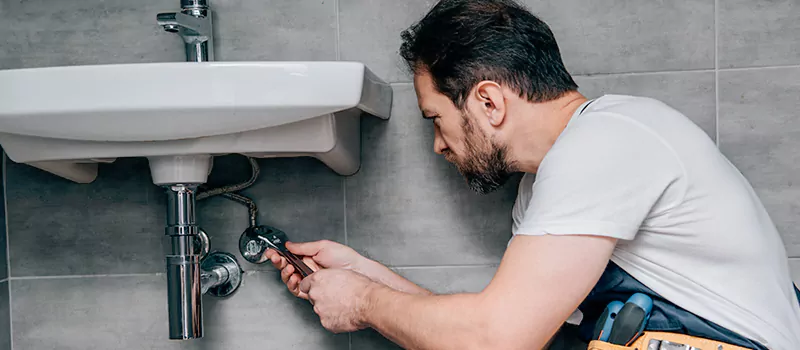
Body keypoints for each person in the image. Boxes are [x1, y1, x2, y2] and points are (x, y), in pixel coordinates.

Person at [265, 0, 800, 349]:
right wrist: (366, 277)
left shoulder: (609, 141)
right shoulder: (552, 179)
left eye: (437, 120)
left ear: (489, 101)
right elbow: (509, 330)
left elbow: (497, 339)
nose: (438, 145)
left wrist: (361, 303)